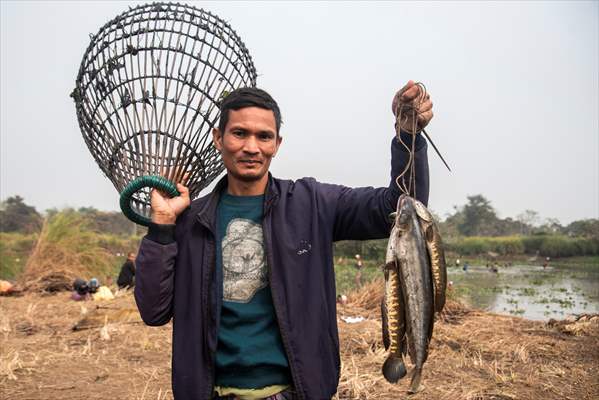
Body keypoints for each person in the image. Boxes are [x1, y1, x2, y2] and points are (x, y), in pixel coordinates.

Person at [135, 82, 433, 400]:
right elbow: (153, 312)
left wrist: (408, 136)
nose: (252, 147)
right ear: (218, 138)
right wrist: (162, 226)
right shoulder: (191, 220)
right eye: (239, 133)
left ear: (277, 144)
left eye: (263, 136)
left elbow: (401, 205)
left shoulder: (311, 204)